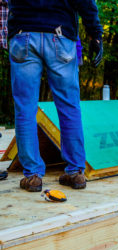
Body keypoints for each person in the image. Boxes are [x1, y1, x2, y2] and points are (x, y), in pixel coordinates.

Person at [8, 0, 103, 192]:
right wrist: (95, 35)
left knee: (25, 109)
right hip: (59, 35)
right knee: (69, 107)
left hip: (23, 34)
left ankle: (33, 175)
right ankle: (75, 172)